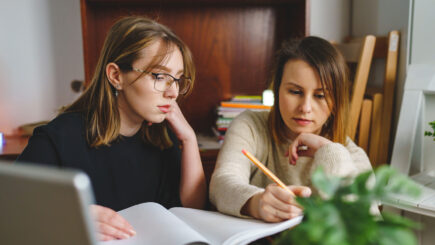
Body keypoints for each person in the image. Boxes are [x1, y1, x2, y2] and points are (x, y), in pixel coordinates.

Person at [17, 16, 206, 241]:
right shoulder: (59, 138)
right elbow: (12, 209)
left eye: (177, 79)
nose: (173, 92)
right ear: (116, 76)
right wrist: (68, 217)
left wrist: (189, 140)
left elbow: (192, 212)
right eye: (160, 76)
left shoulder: (163, 135)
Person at [209, 36, 373, 223]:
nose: (305, 107)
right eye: (295, 92)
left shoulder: (351, 154)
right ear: (277, 90)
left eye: (320, 96)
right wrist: (257, 203)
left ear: (336, 102)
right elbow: (221, 183)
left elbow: (367, 220)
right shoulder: (250, 126)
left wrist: (328, 151)